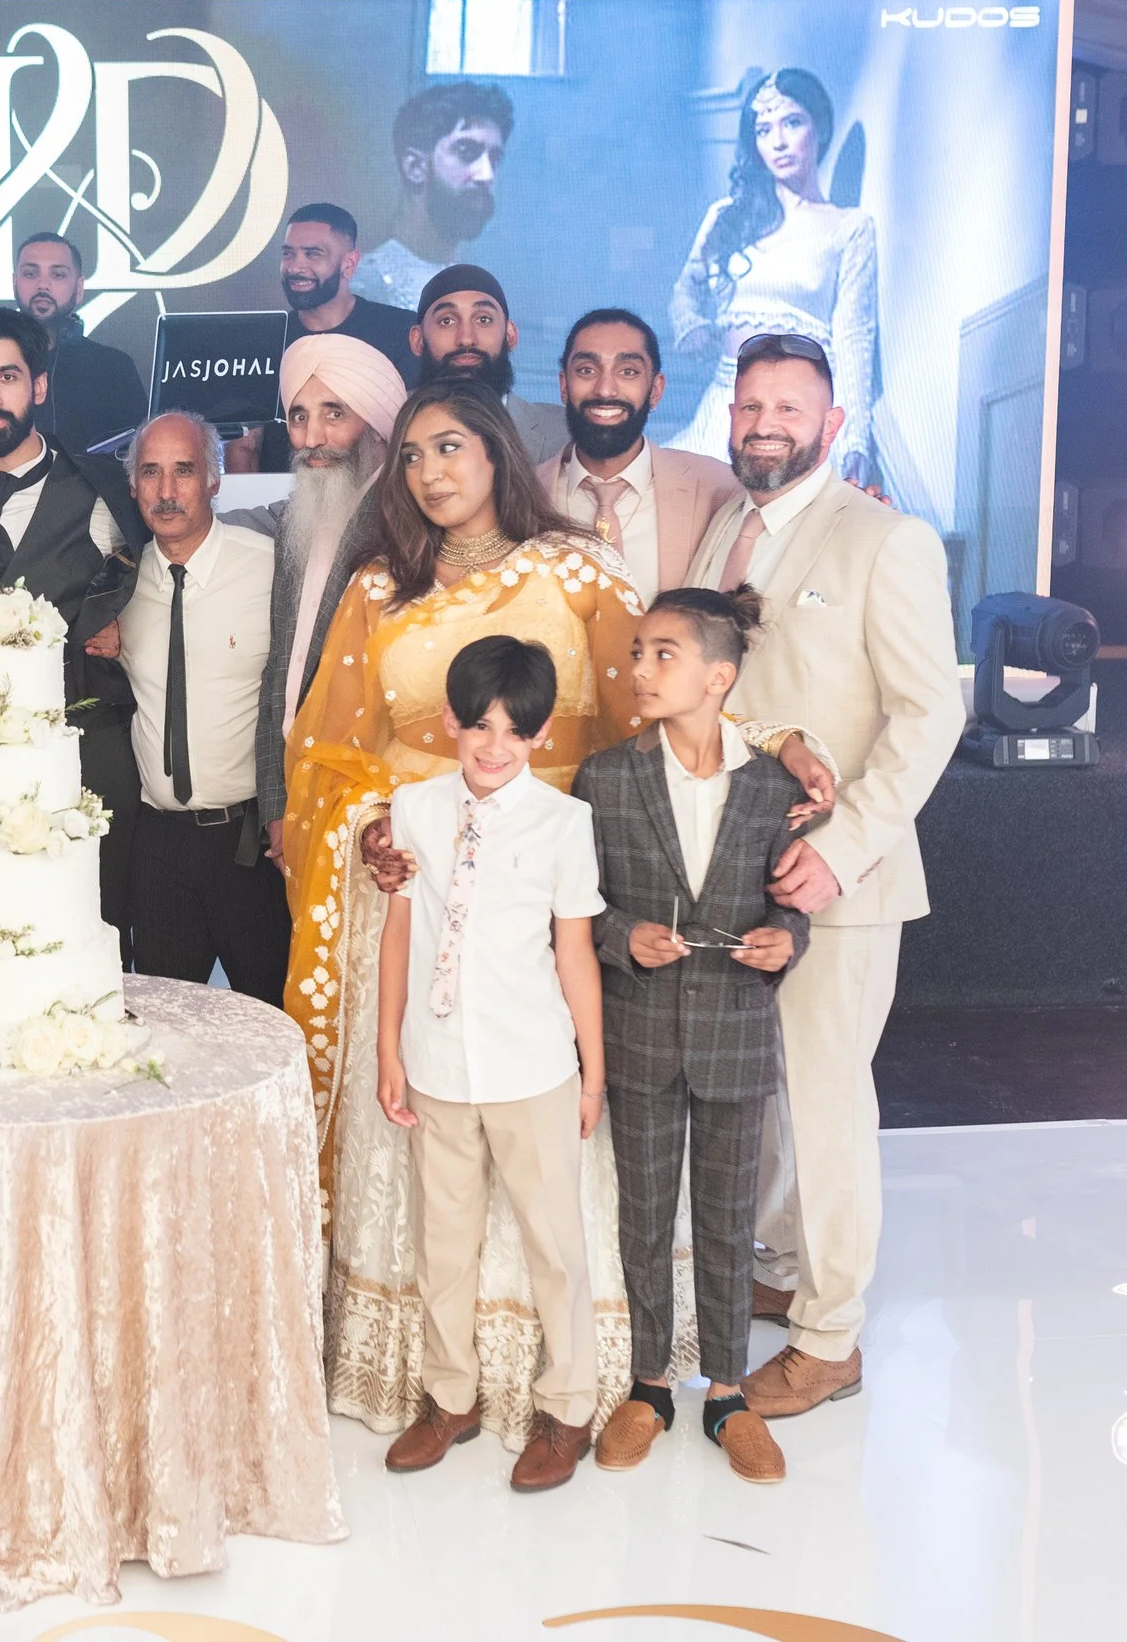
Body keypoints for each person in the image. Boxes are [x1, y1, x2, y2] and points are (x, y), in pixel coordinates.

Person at [282, 380, 832, 1437]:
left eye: (451, 447)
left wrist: (773, 739)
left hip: (546, 879)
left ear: (494, 452)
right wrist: (370, 830)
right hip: (413, 878)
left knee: (543, 1154)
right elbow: (327, 751)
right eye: (411, 456)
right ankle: (436, 1378)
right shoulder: (376, 587)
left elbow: (664, 688)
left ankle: (568, 1383)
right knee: (428, 1142)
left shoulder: (575, 570)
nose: (431, 471)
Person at [685, 333, 963, 1417]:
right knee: (761, 1101)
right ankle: (786, 1267)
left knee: (827, 1102)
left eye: (788, 409)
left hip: (836, 884)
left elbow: (929, 713)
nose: (764, 424)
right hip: (730, 874)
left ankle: (831, 1336)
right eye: (750, 404)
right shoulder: (722, 527)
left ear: (831, 424)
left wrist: (842, 849)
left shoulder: (884, 540)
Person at [573, 587, 811, 1486]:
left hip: (737, 1032)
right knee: (642, 1214)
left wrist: (789, 942)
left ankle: (724, 1391)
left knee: (725, 1220)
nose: (638, 669)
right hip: (639, 1030)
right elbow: (580, 905)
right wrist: (619, 935)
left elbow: (796, 907)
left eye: (661, 654)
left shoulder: (776, 786)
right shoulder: (605, 777)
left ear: (721, 675)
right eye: (637, 652)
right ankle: (647, 1384)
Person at [372, 636, 607, 1494]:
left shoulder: (564, 823)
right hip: (437, 1064)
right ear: (450, 723)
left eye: (515, 730)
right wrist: (388, 1048)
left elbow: (575, 954)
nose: (494, 746)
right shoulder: (415, 806)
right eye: (479, 727)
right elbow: (401, 932)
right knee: (444, 1243)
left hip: (531, 1064)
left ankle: (569, 1406)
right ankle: (449, 1399)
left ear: (540, 736)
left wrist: (592, 1072)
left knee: (554, 1243)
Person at [0, 307, 145, 952]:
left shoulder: (104, 487)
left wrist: (125, 626)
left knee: (96, 936)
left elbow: (150, 578)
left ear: (38, 385)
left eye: (7, 377)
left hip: (87, 745)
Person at [107, 411, 286, 1003]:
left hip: (249, 846)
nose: (165, 491)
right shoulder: (116, 587)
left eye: (183, 471)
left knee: (273, 1023)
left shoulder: (269, 568)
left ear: (214, 479)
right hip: (158, 848)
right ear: (132, 486)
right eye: (150, 473)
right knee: (168, 1030)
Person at [217, 334, 405, 869]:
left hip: (375, 800)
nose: (312, 437)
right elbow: (282, 666)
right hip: (297, 789)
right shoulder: (301, 519)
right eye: (299, 417)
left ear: (374, 423)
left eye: (334, 414)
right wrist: (276, 805)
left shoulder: (405, 530)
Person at [670, 70, 878, 484]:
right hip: (727, 401)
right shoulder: (727, 217)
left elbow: (854, 336)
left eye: (793, 123)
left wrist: (856, 439)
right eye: (764, 130)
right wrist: (690, 325)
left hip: (800, 414)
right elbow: (685, 289)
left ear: (820, 127)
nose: (778, 142)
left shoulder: (849, 227)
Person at [535, 309, 740, 593]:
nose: (605, 389)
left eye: (628, 371)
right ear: (563, 386)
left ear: (656, 390)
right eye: (586, 371)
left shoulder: (716, 488)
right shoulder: (523, 494)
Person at [0, 233, 149, 464]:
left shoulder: (115, 367)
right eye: (30, 273)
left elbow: (146, 455)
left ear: (79, 288)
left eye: (58, 274)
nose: (42, 284)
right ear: (14, 283)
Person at [238, 204, 419, 472]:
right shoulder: (262, 341)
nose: (296, 266)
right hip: (278, 508)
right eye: (288, 254)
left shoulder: (400, 331)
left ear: (350, 264)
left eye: (313, 254)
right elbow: (244, 444)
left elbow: (415, 434)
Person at [354, 82, 514, 312]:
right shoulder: (363, 288)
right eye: (466, 152)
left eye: (495, 159)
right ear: (415, 167)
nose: (486, 175)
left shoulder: (479, 286)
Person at [409, 263, 567, 462]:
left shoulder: (565, 432)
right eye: (447, 321)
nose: (466, 338)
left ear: (510, 335)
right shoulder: (381, 430)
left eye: (483, 320)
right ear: (418, 340)